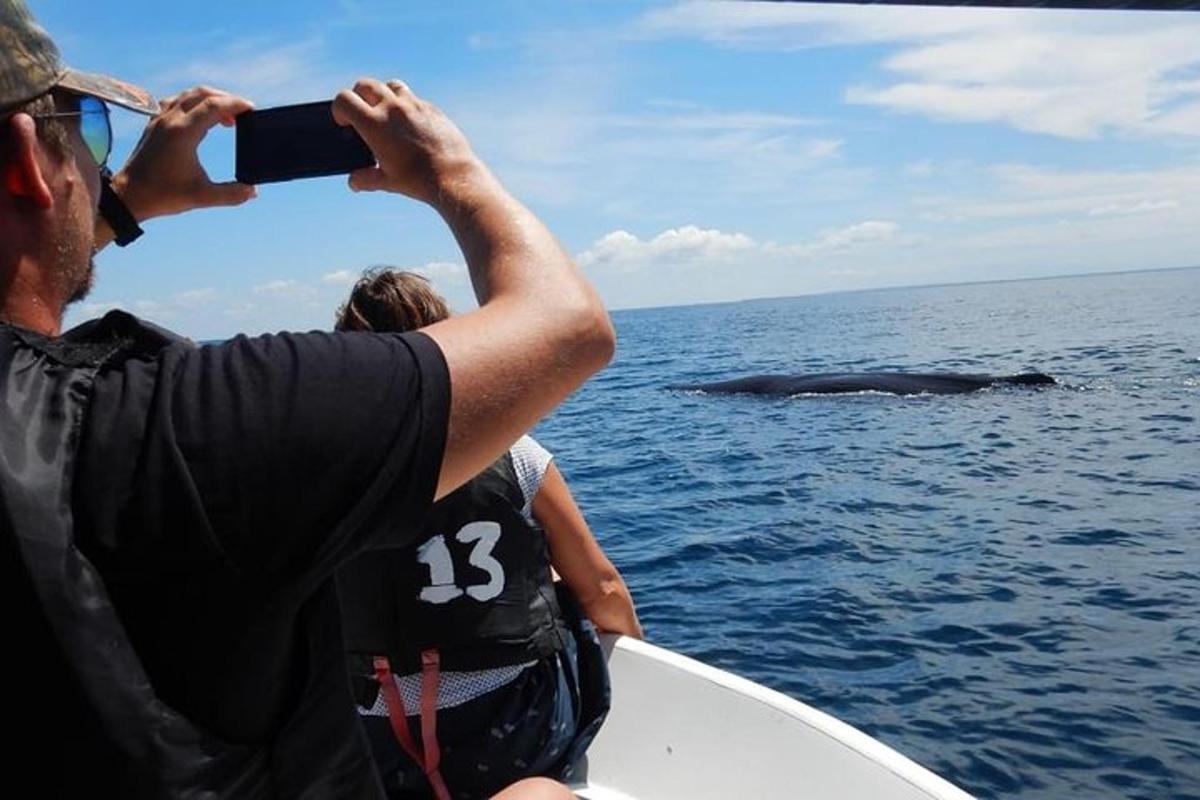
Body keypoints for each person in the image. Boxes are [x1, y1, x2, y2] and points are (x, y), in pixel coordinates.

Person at [0, 1, 613, 797]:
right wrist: (452, 174)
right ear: (23, 162)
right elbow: (568, 327)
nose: (95, 164)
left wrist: (118, 205)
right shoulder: (187, 428)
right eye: (88, 133)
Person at [334, 269, 643, 799]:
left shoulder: (314, 477)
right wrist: (640, 671)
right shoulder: (517, 452)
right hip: (514, 729)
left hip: (378, 739)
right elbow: (602, 587)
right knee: (553, 583)